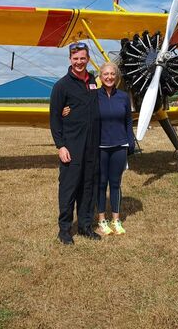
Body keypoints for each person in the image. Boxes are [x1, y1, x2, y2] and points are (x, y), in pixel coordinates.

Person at [63, 62, 134, 236]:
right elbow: (79, 107)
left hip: (119, 145)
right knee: (101, 184)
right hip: (100, 146)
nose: (109, 77)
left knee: (115, 183)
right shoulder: (93, 95)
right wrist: (66, 110)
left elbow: (128, 121)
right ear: (100, 77)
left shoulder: (124, 97)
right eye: (106, 74)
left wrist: (130, 142)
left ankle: (116, 220)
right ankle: (102, 220)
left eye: (112, 74)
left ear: (116, 77)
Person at [49, 42, 101, 245]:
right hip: (72, 147)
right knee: (69, 188)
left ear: (88, 59)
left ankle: (85, 226)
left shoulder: (94, 83)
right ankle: (64, 230)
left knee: (88, 187)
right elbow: (54, 119)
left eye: (82, 58)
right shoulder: (61, 85)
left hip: (92, 146)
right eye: (75, 58)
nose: (79, 62)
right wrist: (60, 146)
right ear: (70, 60)